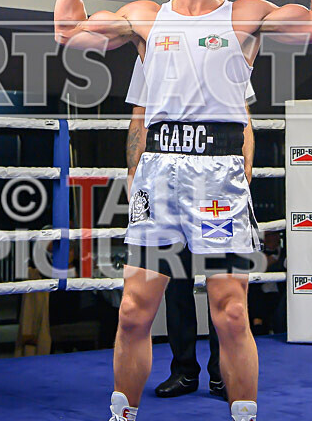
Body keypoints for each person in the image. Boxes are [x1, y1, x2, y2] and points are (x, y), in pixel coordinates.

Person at [54, 0, 312, 421]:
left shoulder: (245, 14)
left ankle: (243, 415)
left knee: (230, 313)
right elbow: (67, 32)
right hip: (159, 173)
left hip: (218, 176)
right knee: (133, 311)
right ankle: (122, 415)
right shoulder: (145, 17)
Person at [126, 56, 256, 400]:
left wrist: (245, 169)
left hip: (216, 183)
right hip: (165, 181)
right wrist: (134, 174)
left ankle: (222, 373)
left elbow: (242, 113)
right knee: (174, 278)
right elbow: (140, 116)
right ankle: (184, 370)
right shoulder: (153, 49)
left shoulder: (224, 50)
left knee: (223, 282)